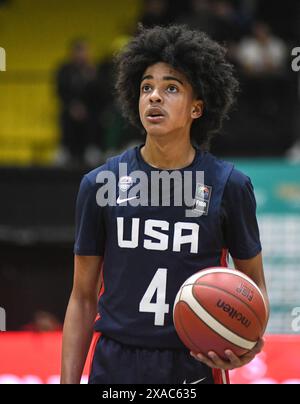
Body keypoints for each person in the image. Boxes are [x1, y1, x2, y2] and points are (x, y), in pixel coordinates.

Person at [61, 24, 269, 385]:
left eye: (171, 87)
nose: (154, 97)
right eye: (146, 87)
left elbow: (254, 288)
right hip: (116, 363)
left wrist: (248, 341)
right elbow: (81, 299)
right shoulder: (99, 184)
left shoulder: (229, 186)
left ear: (197, 108)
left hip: (194, 364)